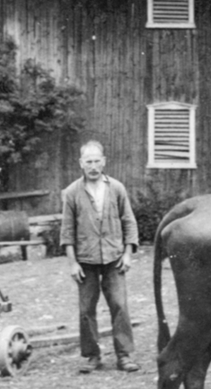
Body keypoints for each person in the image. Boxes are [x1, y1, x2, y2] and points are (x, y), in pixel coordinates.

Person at [60, 140, 140, 373]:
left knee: (119, 306)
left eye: (97, 161)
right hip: (86, 261)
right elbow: (67, 231)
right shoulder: (73, 192)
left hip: (114, 258)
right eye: (88, 162)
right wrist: (73, 263)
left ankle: (124, 356)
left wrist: (127, 254)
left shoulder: (116, 188)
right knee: (86, 310)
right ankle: (93, 356)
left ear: (104, 162)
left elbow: (129, 221)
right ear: (81, 164)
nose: (93, 166)